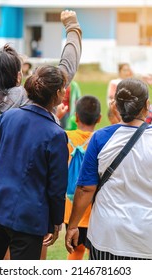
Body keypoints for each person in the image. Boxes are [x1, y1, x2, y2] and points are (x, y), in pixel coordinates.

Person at [0, 9, 82, 197]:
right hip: (23, 195)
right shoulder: (28, 96)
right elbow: (66, 68)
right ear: (18, 75)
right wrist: (72, 27)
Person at [0, 65, 69, 260]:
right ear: (58, 93)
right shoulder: (56, 134)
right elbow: (56, 186)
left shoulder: (8, 117)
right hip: (29, 215)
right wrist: (56, 221)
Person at [65, 78, 152, 260]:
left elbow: (85, 188)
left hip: (107, 236)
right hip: (146, 236)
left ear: (116, 106)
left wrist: (72, 226)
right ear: (147, 105)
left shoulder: (100, 138)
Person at [64, 95, 101, 260]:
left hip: (71, 209)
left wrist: (56, 117)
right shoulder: (101, 139)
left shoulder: (65, 136)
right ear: (99, 119)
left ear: (76, 117)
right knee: (94, 252)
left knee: (75, 250)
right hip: (93, 208)